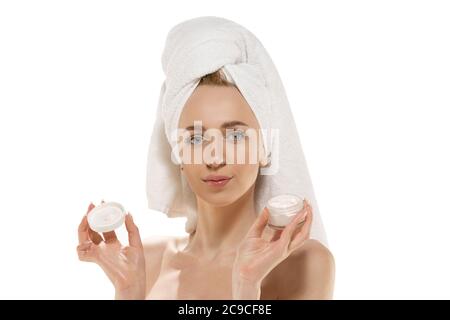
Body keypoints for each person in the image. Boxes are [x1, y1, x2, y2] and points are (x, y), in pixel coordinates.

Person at [77, 69, 335, 299]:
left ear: (265, 149)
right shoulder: (149, 260)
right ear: (178, 154)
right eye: (196, 139)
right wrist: (128, 291)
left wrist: (246, 284)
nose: (215, 157)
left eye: (235, 135)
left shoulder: (304, 264)